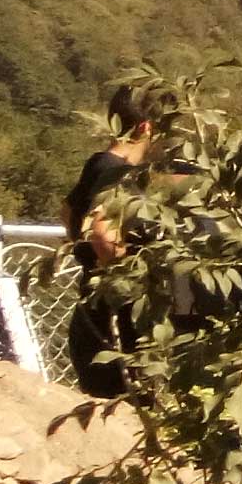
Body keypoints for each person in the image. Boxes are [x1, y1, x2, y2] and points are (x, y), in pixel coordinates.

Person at [60, 79, 166, 398]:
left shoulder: (98, 164)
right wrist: (128, 279)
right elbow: (103, 234)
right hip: (116, 329)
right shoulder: (118, 172)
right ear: (146, 127)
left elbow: (67, 211)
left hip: (93, 318)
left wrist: (86, 259)